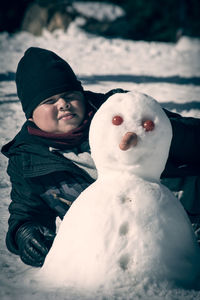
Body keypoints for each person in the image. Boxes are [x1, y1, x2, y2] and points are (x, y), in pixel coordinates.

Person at [1, 47, 200, 268]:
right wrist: (25, 233)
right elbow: (26, 211)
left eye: (69, 95)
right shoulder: (26, 157)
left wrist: (157, 132)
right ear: (30, 114)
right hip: (116, 252)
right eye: (50, 100)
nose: (63, 104)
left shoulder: (120, 111)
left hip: (185, 218)